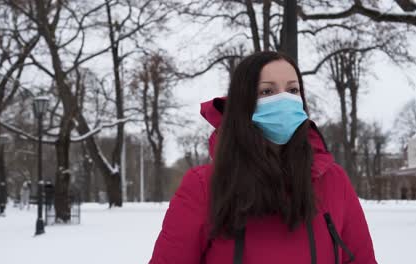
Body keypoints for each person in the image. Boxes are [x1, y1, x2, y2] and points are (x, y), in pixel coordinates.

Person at [149, 51, 377, 264]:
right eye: (267, 91)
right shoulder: (204, 186)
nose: (284, 100)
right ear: (243, 103)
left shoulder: (333, 180)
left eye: (293, 90)